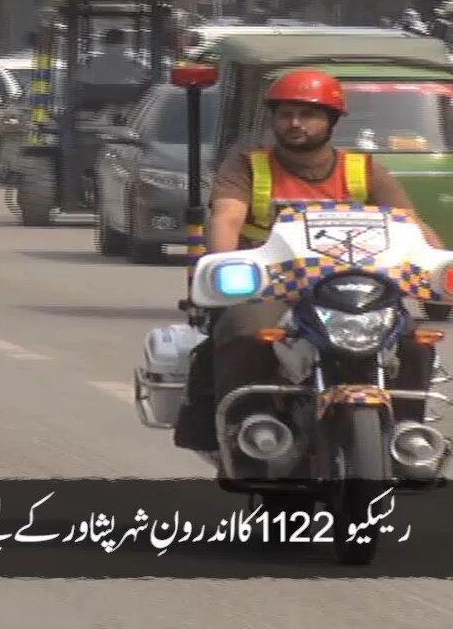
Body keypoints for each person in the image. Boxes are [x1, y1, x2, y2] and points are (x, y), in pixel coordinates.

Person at [175, 68, 443, 451]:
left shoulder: (364, 169)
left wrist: (439, 266)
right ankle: (248, 429)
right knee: (246, 331)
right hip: (273, 288)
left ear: (331, 121)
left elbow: (412, 225)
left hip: (357, 290)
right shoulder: (248, 166)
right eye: (285, 114)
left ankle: (405, 436)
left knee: (414, 342)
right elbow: (226, 219)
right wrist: (224, 266)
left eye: (308, 114)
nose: (295, 123)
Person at [77, 28, 147, 85]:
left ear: (104, 43)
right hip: (120, 96)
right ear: (123, 44)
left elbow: (82, 80)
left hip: (95, 96)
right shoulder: (126, 63)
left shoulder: (93, 62)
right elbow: (141, 79)